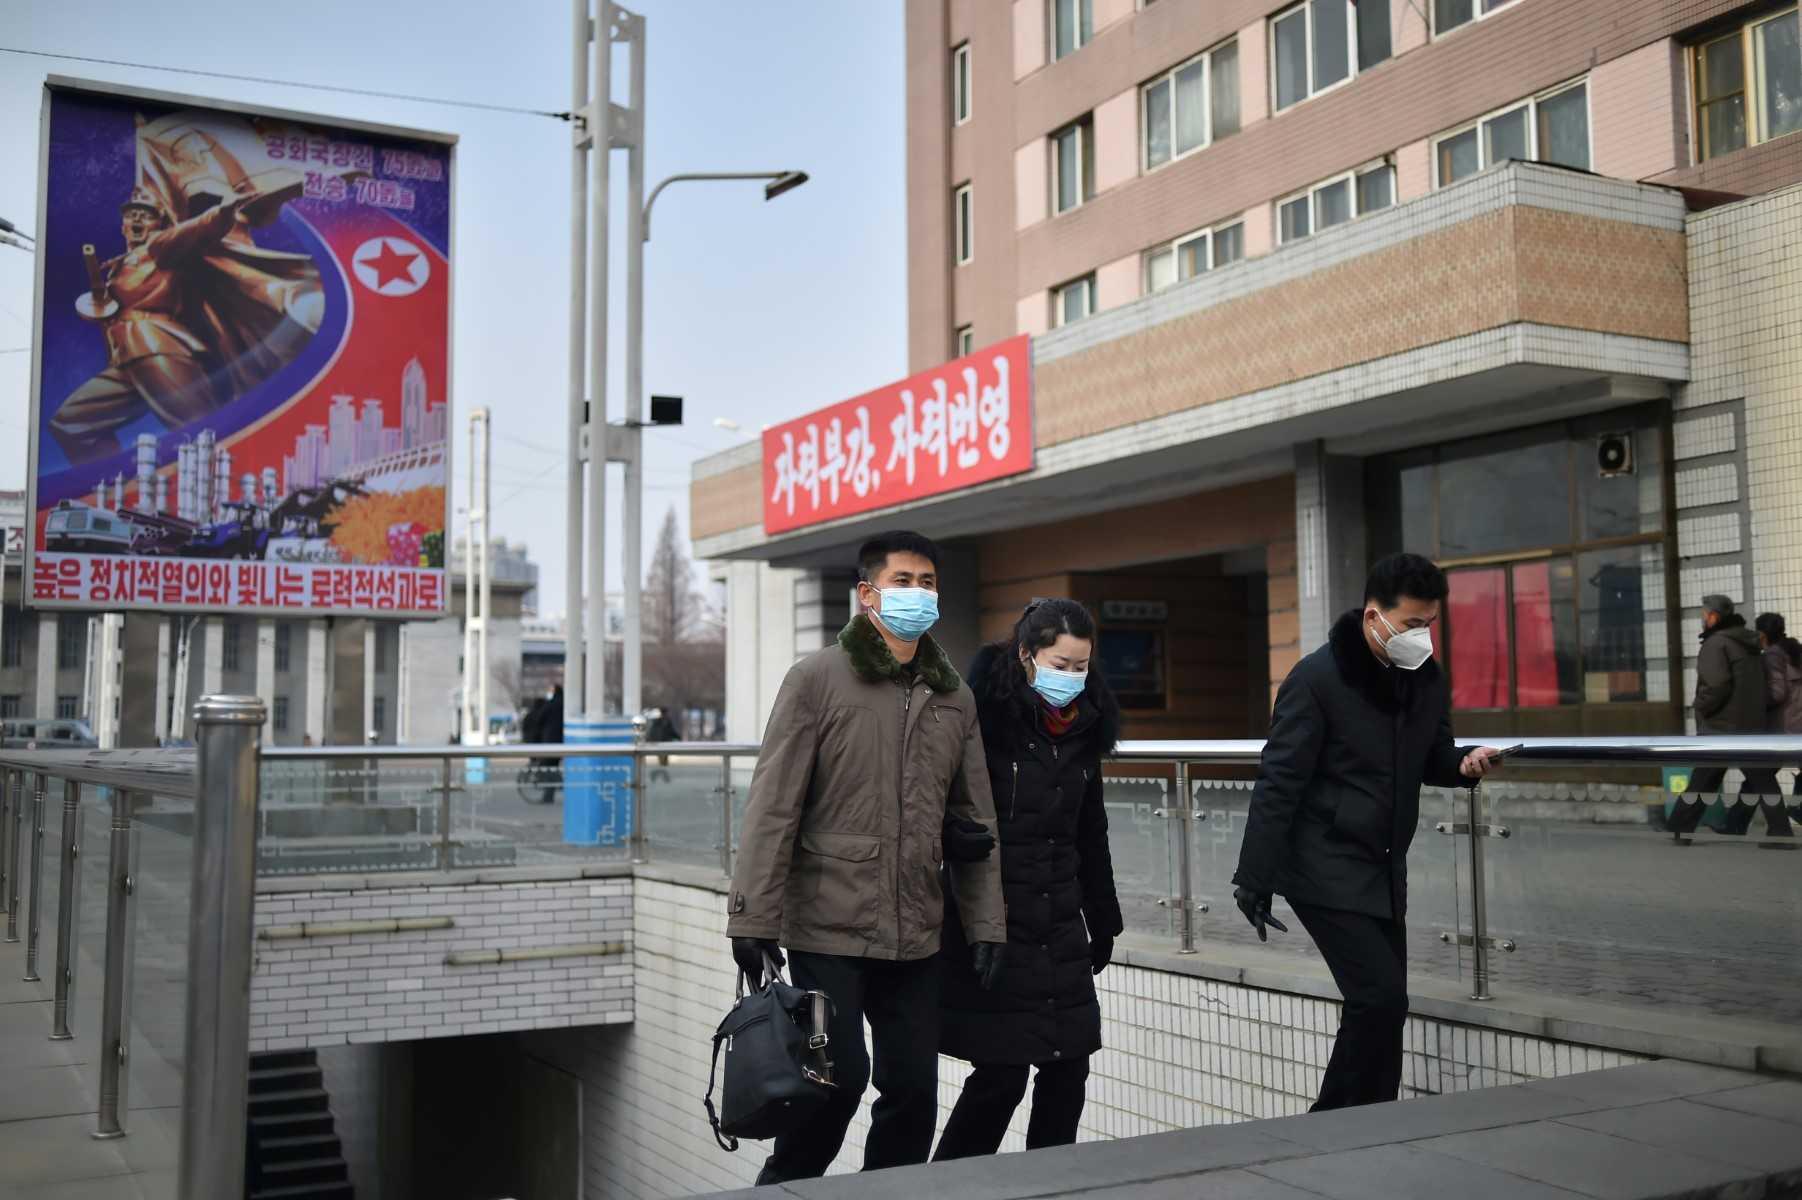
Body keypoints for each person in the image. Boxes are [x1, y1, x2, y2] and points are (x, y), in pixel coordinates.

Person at [726, 530, 1007, 1184]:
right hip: (829, 924)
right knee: (837, 1078)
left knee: (912, 1090)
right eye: (902, 581)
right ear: (867, 594)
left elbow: (977, 819)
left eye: (927, 583)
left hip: (918, 929)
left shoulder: (954, 697)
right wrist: (751, 917)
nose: (918, 593)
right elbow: (773, 804)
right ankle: (785, 1187)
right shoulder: (816, 680)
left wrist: (987, 923)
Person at [1232, 553, 1501, 1111]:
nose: (1422, 636)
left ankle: (1372, 1119)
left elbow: (1434, 756)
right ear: (1374, 616)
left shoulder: (1424, 678)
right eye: (1411, 624)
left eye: (1429, 624)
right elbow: (1278, 781)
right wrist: (1254, 878)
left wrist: (1464, 764)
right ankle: (1332, 1124)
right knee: (1377, 997)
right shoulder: (1316, 679)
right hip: (1321, 864)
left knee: (1385, 1004)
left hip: (1383, 867)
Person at [934, 598, 1122, 1161]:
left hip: (1060, 920)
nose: (1072, 677)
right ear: (1026, 656)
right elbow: (935, 799)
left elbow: (1091, 829)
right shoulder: (984, 722)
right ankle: (947, 1187)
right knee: (1002, 1074)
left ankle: (1052, 1183)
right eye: (1061, 664)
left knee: (1069, 1069)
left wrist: (1103, 915)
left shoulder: (1086, 728)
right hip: (997, 921)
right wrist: (950, 835)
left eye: (1082, 666)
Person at [1668, 596, 1781, 839]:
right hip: (1749, 723)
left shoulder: (1716, 644)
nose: (1702, 619)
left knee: (1703, 780)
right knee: (1760, 779)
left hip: (1721, 726)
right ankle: (1780, 829)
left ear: (1713, 617)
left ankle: (1679, 828)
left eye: (1704, 615)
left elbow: (1716, 685)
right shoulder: (1748, 642)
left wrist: (1700, 707)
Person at [1750, 613, 1800, 835]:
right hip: (1798, 722)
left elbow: (1777, 693)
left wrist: (1756, 702)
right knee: (1759, 774)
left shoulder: (1772, 656)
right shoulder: (1796, 650)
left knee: (1760, 772)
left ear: (1762, 634)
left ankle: (1780, 829)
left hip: (1785, 725)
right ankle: (1735, 823)